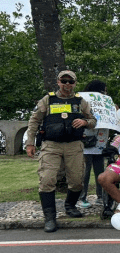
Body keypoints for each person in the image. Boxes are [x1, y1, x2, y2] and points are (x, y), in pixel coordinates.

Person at [26, 70, 96, 232]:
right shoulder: (48, 100)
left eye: (70, 82)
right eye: (64, 81)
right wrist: (30, 143)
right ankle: (49, 218)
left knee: (77, 179)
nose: (67, 84)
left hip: (74, 145)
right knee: (47, 179)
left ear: (75, 83)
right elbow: (34, 121)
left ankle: (70, 206)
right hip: (51, 145)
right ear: (58, 82)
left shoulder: (81, 102)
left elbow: (93, 120)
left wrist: (84, 122)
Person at [77, 79, 111, 210]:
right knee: (84, 172)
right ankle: (82, 197)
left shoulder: (106, 101)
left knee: (100, 171)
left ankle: (101, 197)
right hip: (86, 139)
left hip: (101, 141)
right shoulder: (83, 101)